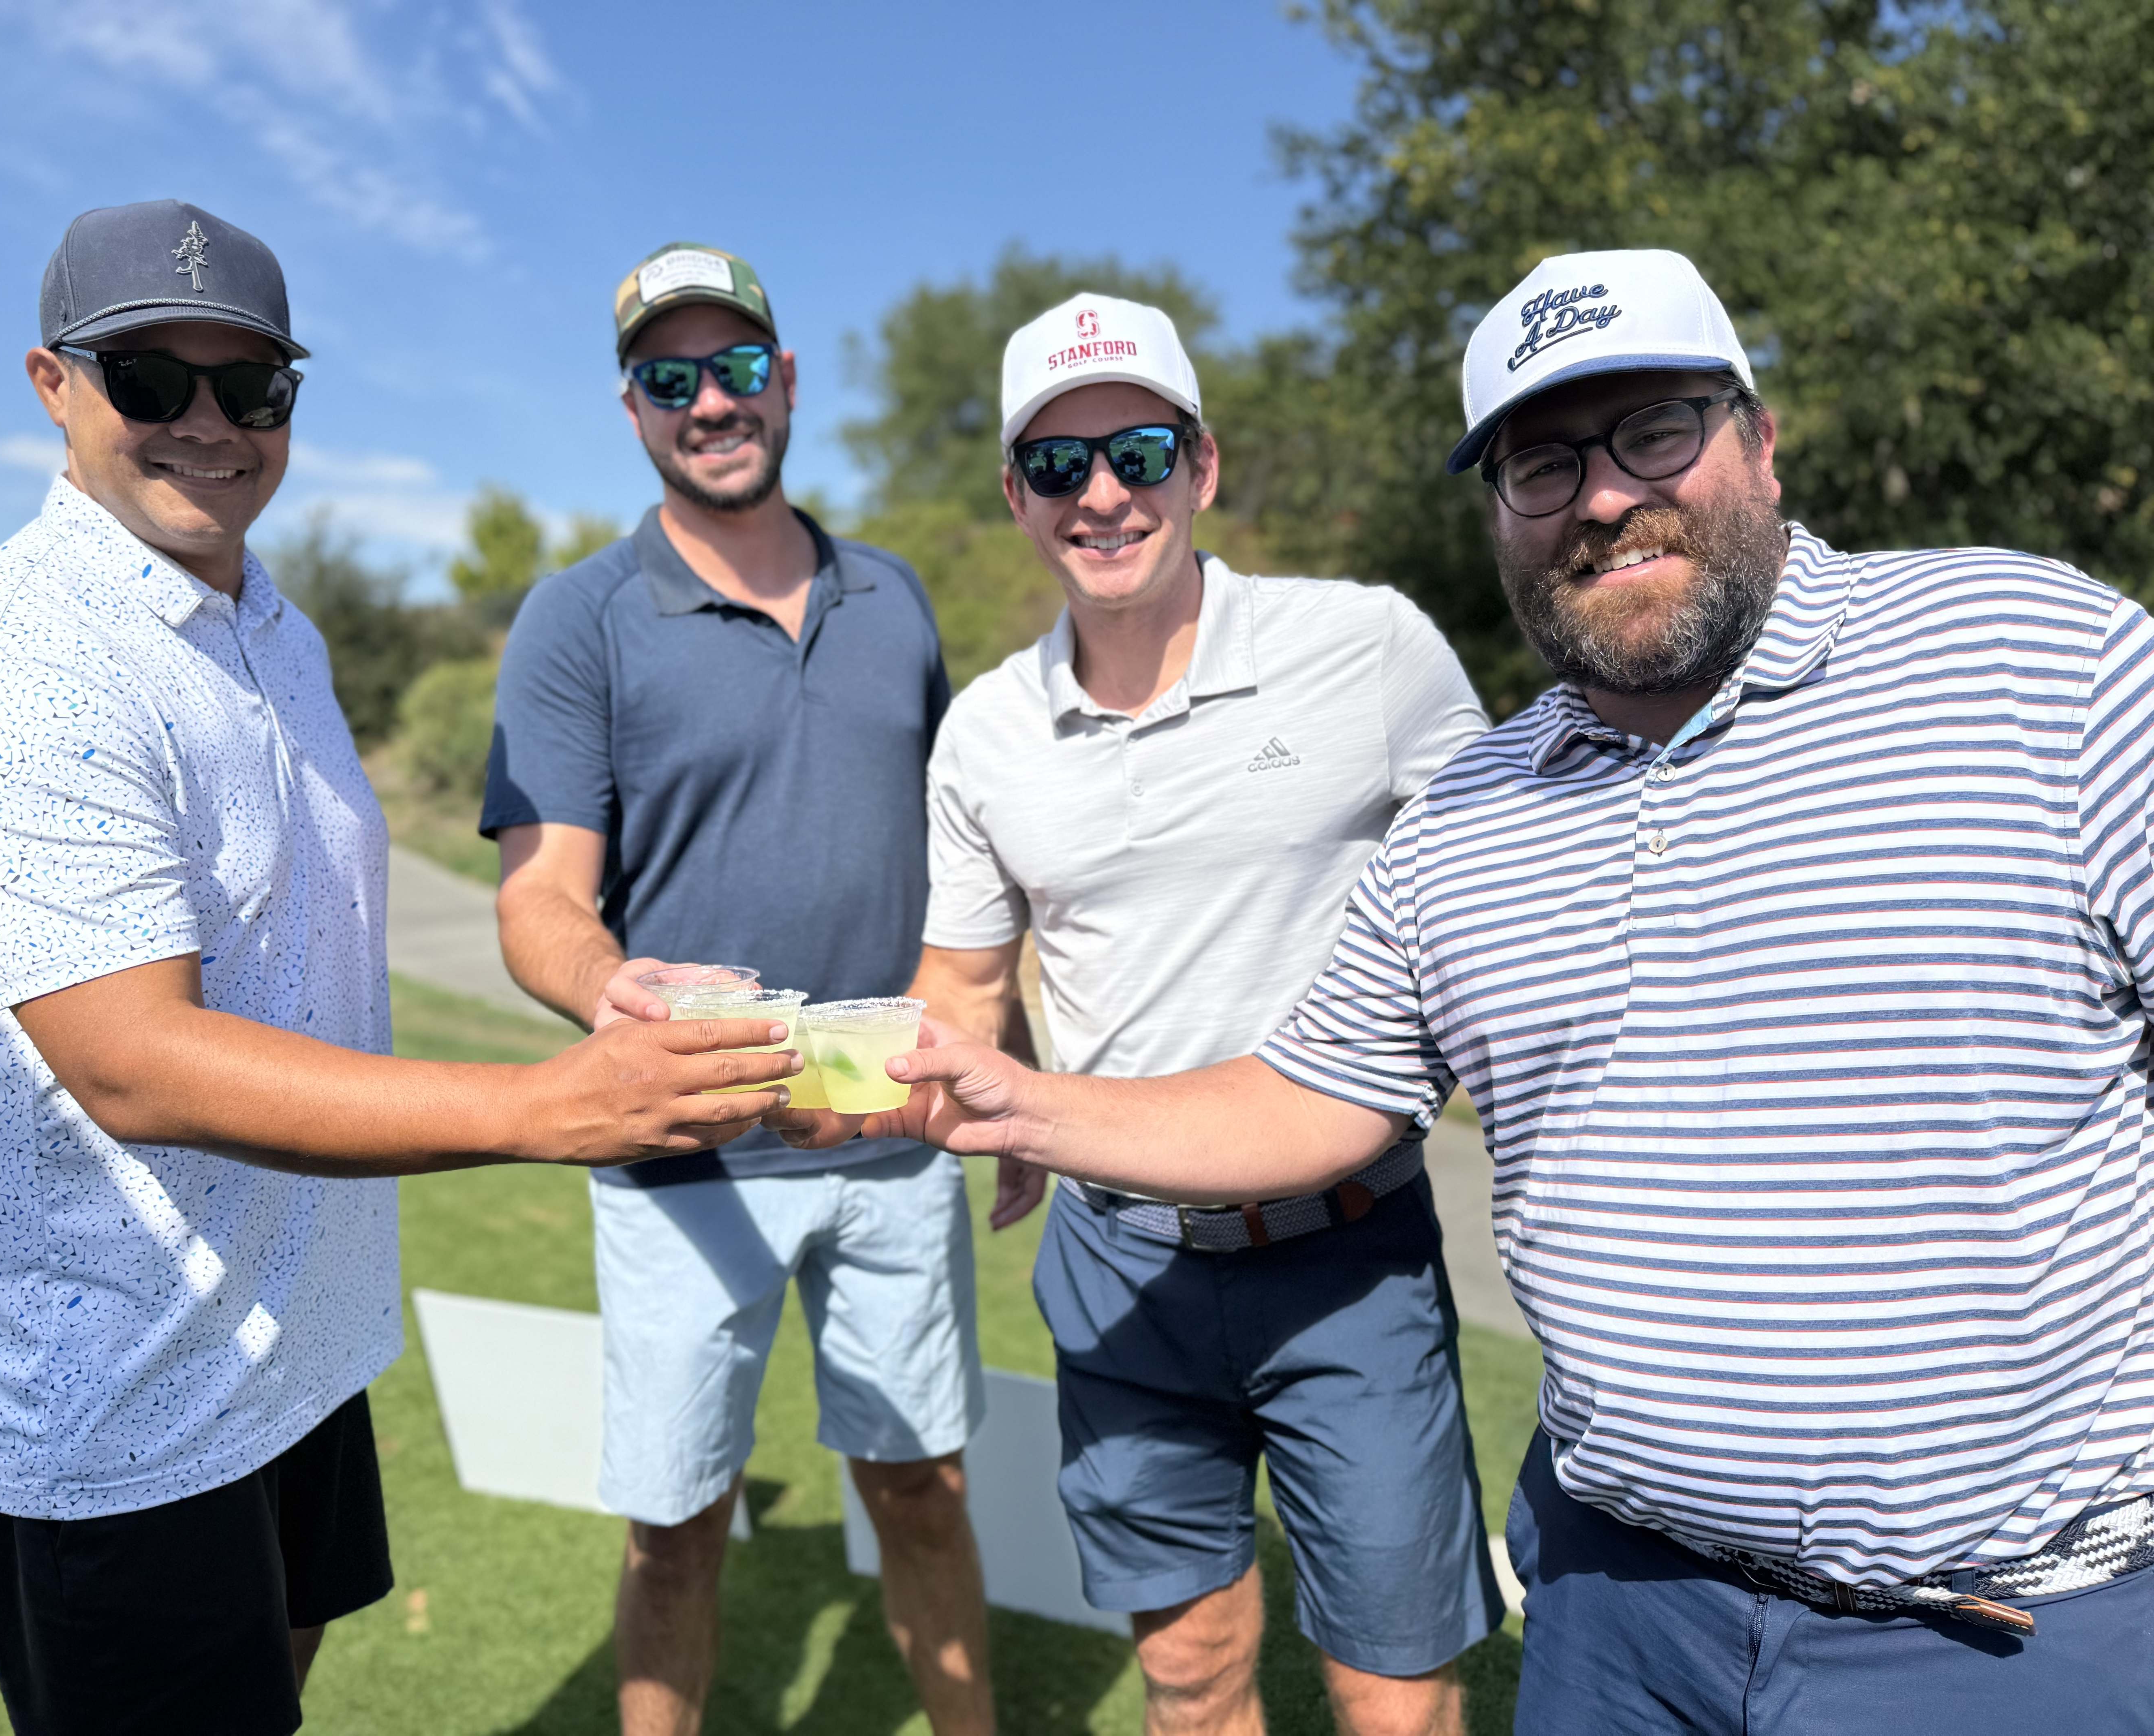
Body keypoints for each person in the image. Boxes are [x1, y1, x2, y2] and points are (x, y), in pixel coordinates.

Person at [774, 248, 2154, 1734]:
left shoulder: (2041, 657)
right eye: (1544, 463)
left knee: (1395, 1690)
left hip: (1998, 1621)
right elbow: (1305, 1078)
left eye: (1655, 431)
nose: (1604, 496)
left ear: (1759, 438)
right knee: (1187, 1670)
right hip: (1609, 1589)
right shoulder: (1485, 801)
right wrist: (985, 1099)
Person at [0, 201, 793, 1736]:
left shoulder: (272, 628)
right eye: (151, 380)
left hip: (291, 1355)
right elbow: (132, 1060)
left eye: (252, 386)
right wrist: (552, 1106)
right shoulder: (11, 657)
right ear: (53, 386)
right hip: (115, 1403)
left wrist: (606, 987)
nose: (209, 423)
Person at [902, 290, 1499, 1736]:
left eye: (1140, 453)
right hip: (1117, 1264)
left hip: (1346, 1249)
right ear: (1017, 495)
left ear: (1203, 465)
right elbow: (961, 991)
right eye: (1059, 464)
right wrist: (798, 1068)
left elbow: (1501, 906)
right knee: (1188, 1675)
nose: (1103, 494)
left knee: (1394, 1697)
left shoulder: (1370, 649)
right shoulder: (985, 731)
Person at [483, 241, 991, 1736]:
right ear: (632, 408)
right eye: (670, 377)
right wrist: (613, 992)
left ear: (787, 378)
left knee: (924, 1487)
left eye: (737, 366)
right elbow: (540, 897)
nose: (710, 401)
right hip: (683, 1151)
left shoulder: (893, 599)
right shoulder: (578, 617)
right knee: (678, 1522)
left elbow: (967, 871)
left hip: (889, 1137)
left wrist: (999, 1046)